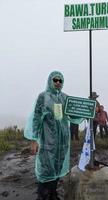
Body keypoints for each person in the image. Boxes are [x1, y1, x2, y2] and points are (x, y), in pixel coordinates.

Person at [24, 71, 83, 200]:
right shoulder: (43, 97)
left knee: (58, 167)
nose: (57, 82)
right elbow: (36, 119)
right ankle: (43, 195)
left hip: (62, 142)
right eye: (55, 80)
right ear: (50, 80)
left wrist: (90, 108)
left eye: (60, 81)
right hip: (47, 142)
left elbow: (76, 113)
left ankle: (53, 194)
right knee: (46, 169)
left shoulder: (65, 98)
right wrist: (34, 140)